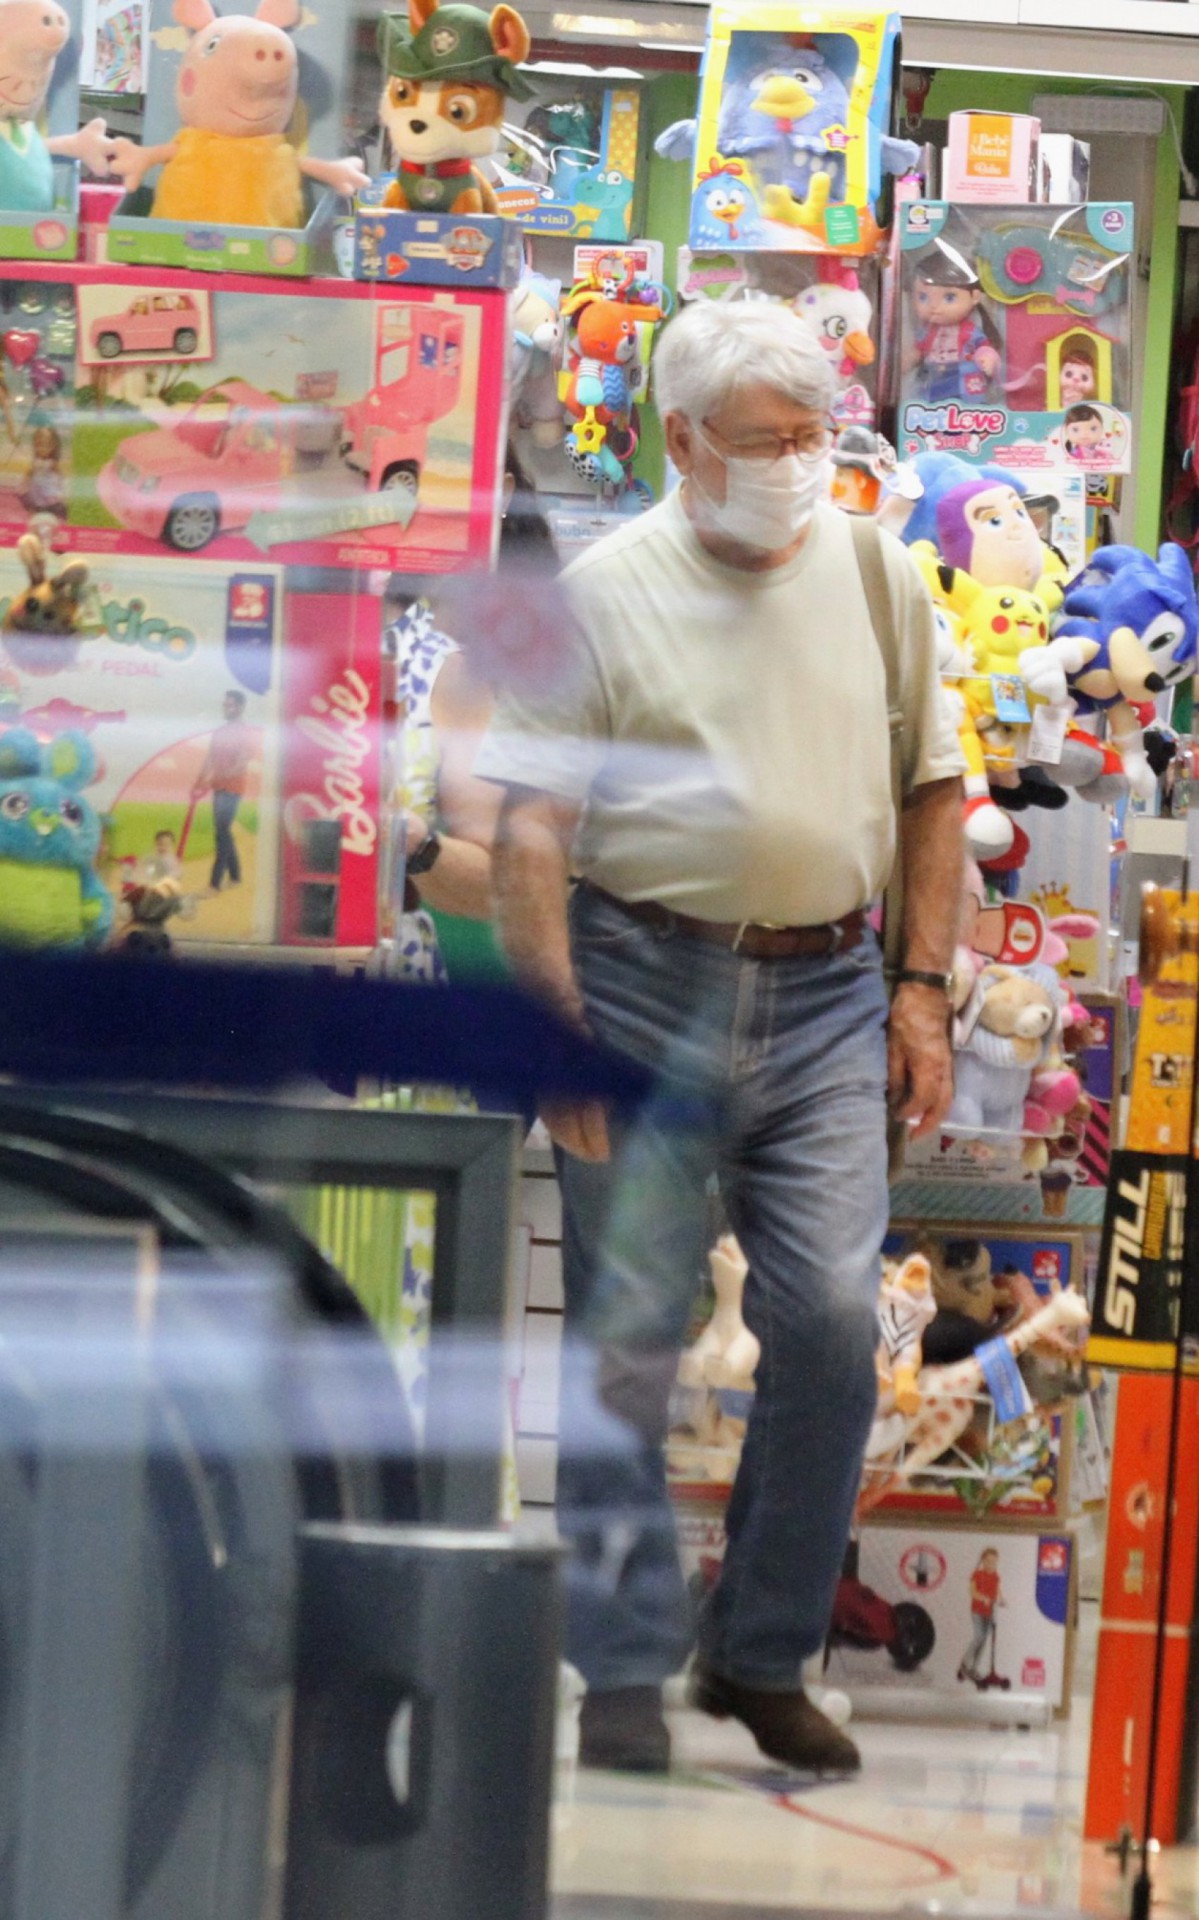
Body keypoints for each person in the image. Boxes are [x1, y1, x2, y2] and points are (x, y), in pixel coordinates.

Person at [477, 301, 965, 1777]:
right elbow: (529, 828)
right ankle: (619, 1668)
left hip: (827, 993)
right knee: (629, 1339)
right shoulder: (600, 592)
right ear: (678, 441)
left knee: (825, 1324)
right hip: (637, 980)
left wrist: (923, 985)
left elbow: (934, 789)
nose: (795, 467)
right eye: (762, 442)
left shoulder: (879, 574)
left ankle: (752, 1654)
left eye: (815, 437)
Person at [193, 690, 254, 893]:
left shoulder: (244, 732)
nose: (226, 709)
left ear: (239, 707)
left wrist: (218, 778)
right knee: (223, 832)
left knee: (221, 833)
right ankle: (235, 876)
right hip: (219, 787)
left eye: (230, 705)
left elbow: (242, 762)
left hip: (233, 788)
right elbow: (210, 757)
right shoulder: (219, 732)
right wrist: (200, 780)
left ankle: (214, 884)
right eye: (225, 705)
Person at [958, 1548, 1004, 1685]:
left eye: (994, 1562)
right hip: (977, 1612)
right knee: (978, 1637)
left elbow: (997, 1590)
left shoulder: (996, 1576)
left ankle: (974, 1668)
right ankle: (965, 1664)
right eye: (989, 1561)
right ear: (983, 1561)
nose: (991, 1565)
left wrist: (1001, 1599)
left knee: (984, 1641)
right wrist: (982, 1598)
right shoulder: (977, 1574)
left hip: (990, 1613)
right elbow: (972, 1592)